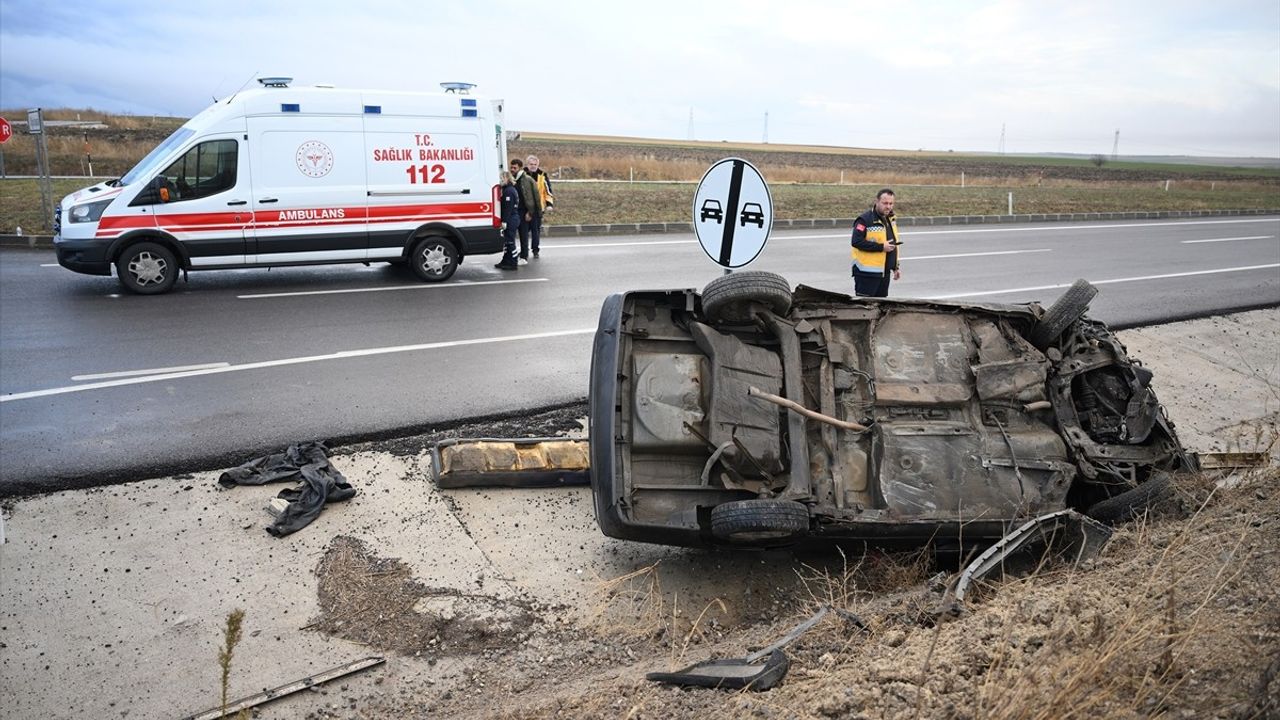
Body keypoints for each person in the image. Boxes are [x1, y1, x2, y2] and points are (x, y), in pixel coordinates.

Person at [850, 188, 902, 297]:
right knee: (865, 308)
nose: (888, 206)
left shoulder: (891, 219)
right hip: (866, 275)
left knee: (880, 307)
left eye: (891, 203)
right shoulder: (864, 220)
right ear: (877, 201)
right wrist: (881, 247)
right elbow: (856, 241)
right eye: (885, 203)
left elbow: (892, 244)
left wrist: (895, 267)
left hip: (884, 274)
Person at [511, 158, 542, 262]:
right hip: (515, 212)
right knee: (516, 234)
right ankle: (516, 254)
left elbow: (535, 197)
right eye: (511, 167)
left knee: (524, 234)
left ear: (519, 168)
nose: (512, 169)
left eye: (514, 167)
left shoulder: (527, 180)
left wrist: (531, 212)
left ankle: (525, 255)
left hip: (525, 212)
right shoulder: (512, 180)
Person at [525, 155, 554, 258]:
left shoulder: (542, 175)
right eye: (531, 164)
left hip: (538, 208)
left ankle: (535, 250)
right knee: (523, 231)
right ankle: (524, 251)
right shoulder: (522, 174)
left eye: (535, 164)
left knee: (535, 231)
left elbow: (548, 191)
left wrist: (549, 204)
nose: (533, 166)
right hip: (525, 208)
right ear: (527, 164)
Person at [494, 171, 521, 270]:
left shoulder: (509, 191)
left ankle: (513, 262)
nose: (501, 180)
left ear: (507, 178)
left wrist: (504, 221)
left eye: (502, 178)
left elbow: (508, 208)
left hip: (511, 219)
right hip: (511, 218)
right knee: (506, 242)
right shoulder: (508, 189)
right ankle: (505, 261)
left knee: (510, 242)